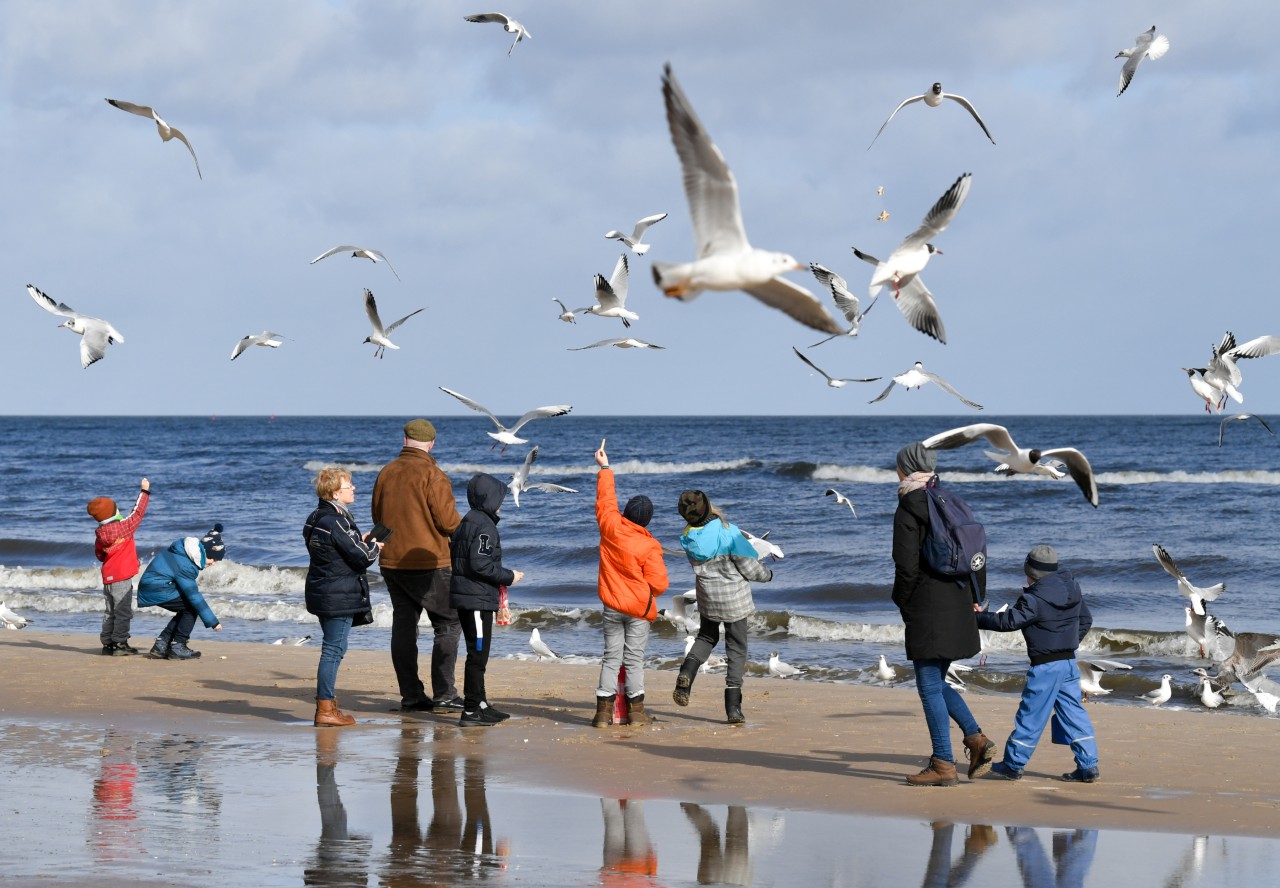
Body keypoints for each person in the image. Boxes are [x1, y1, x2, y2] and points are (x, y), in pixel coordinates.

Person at [892, 442, 995, 786]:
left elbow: (905, 566)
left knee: (928, 686)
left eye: (898, 466)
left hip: (928, 607)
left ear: (905, 469)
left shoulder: (910, 505)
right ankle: (977, 740)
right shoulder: (951, 500)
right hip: (960, 602)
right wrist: (978, 596)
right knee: (935, 682)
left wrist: (903, 603)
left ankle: (943, 764)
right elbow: (976, 551)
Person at [976, 545, 1101, 783]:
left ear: (1030, 572)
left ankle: (1013, 765)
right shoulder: (1072, 588)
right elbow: (1086, 619)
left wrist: (976, 617)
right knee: (1074, 714)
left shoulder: (1034, 598)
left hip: (1045, 666)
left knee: (1031, 715)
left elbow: (1008, 622)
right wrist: (1069, 643)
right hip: (1068, 662)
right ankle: (1088, 766)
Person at [371, 419, 466, 713]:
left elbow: (377, 515)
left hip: (391, 560)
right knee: (448, 623)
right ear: (432, 443)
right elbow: (448, 522)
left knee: (404, 626)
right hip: (430, 561)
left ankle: (411, 694)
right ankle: (445, 693)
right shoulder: (432, 474)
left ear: (405, 440)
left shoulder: (386, 472)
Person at [671, 490, 772, 725]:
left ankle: (686, 673)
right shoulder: (729, 532)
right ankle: (733, 709)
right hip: (734, 600)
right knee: (736, 649)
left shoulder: (687, 538)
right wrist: (767, 575)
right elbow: (749, 566)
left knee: (706, 637)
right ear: (708, 507)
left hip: (708, 597)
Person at [591, 442, 669, 728]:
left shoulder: (610, 525)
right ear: (647, 520)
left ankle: (602, 714)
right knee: (634, 659)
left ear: (625, 512)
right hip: (638, 610)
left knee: (611, 657)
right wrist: (646, 590)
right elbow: (659, 584)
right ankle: (636, 713)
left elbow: (605, 499)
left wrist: (605, 467)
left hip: (612, 605)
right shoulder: (649, 545)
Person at [303, 466, 382, 727]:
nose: (354, 489)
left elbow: (333, 552)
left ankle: (327, 705)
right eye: (350, 486)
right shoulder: (336, 520)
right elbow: (363, 557)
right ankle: (325, 708)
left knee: (335, 647)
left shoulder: (315, 517)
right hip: (337, 593)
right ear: (336, 493)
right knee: (333, 649)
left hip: (323, 589)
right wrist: (374, 545)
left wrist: (360, 539)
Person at [449, 472, 523, 727]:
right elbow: (480, 563)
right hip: (475, 601)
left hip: (471, 597)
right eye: (498, 498)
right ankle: (470, 711)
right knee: (477, 654)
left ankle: (479, 703)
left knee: (478, 653)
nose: (501, 503)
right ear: (488, 500)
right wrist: (509, 576)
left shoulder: (469, 520)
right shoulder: (483, 526)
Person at [137, 525, 225, 660]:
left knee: (185, 607)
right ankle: (178, 646)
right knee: (192, 607)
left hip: (153, 586)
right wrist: (213, 622)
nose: (213, 563)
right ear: (205, 553)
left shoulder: (183, 551)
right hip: (157, 589)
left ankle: (161, 644)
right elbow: (194, 596)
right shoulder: (186, 565)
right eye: (213, 559)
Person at [87, 477, 151, 656]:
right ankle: (120, 643)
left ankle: (107, 642)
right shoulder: (124, 528)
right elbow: (137, 512)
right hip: (122, 577)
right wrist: (144, 491)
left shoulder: (100, 533)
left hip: (108, 577)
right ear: (113, 513)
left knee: (110, 611)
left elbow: (100, 555)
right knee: (123, 611)